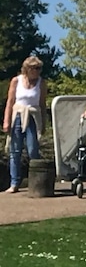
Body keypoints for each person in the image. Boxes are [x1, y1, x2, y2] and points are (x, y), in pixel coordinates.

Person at [3, 56, 47, 193]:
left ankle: (36, 182)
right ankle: (14, 183)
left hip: (33, 117)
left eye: (39, 68)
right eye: (35, 68)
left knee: (33, 149)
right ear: (27, 69)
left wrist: (43, 123)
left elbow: (42, 104)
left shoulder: (41, 82)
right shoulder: (16, 81)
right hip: (18, 115)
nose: (37, 71)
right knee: (15, 151)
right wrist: (6, 121)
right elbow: (10, 102)